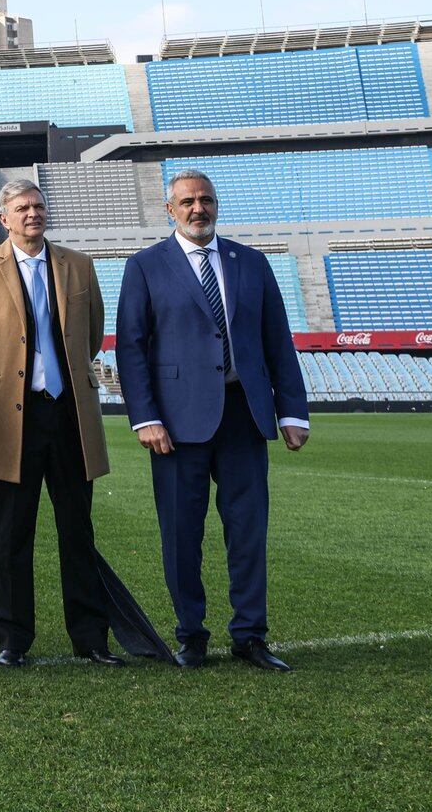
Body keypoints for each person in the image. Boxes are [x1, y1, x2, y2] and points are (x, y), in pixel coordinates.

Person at [116, 169, 311, 672]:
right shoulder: (144, 267)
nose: (197, 209)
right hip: (176, 426)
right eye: (187, 202)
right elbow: (132, 350)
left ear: (216, 205)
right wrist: (145, 418)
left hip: (245, 415)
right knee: (181, 533)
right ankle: (192, 635)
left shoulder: (252, 262)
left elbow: (277, 342)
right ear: (169, 209)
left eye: (205, 200)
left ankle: (250, 634)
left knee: (248, 530)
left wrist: (291, 410)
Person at [0, 179, 122, 667]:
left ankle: (90, 638)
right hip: (11, 419)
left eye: (39, 206)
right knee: (10, 533)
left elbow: (89, 339)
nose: (33, 214)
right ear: (4, 217)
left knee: (77, 531)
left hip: (69, 416)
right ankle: (11, 638)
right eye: (22, 208)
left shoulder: (78, 265)